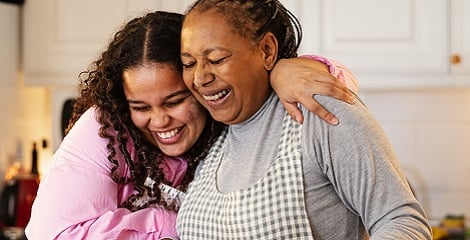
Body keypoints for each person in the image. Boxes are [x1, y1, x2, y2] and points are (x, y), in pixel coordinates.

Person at [25, 10, 357, 240]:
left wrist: (286, 70)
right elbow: (49, 233)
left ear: (200, 81)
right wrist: (177, 224)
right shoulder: (105, 128)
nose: (159, 120)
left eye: (174, 101)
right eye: (140, 106)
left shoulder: (231, 113)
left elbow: (340, 89)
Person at [176, 0, 433, 239]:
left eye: (217, 59)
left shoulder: (317, 111)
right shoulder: (210, 134)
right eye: (188, 63)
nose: (200, 78)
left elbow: (403, 221)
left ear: (267, 50)